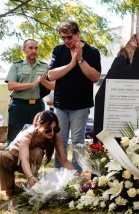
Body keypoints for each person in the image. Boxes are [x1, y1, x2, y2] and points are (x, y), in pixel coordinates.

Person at [48, 20, 101, 174]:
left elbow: (95, 77)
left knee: (78, 142)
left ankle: (76, 176)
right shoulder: (58, 50)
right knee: (60, 140)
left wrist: (80, 60)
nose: (66, 41)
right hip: (60, 105)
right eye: (63, 37)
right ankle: (59, 175)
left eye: (69, 37)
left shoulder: (92, 52)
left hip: (81, 105)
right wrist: (71, 64)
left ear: (77, 34)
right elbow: (51, 75)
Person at [0, 110, 77, 197]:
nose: (52, 132)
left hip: (30, 162)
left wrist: (77, 176)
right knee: (0, 156)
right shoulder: (27, 136)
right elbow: (24, 159)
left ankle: (32, 184)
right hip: (12, 159)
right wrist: (30, 176)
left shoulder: (56, 137)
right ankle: (10, 187)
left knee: (38, 151)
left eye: (56, 129)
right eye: (48, 130)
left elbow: (64, 161)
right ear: (37, 126)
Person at [5, 39, 55, 146]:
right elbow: (11, 86)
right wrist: (33, 84)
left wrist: (44, 81)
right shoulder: (16, 66)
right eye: (30, 48)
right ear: (24, 50)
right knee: (13, 138)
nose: (34, 51)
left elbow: (53, 86)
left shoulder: (45, 67)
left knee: (37, 138)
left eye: (36, 48)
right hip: (18, 106)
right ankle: (11, 162)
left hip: (37, 106)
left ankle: (32, 162)